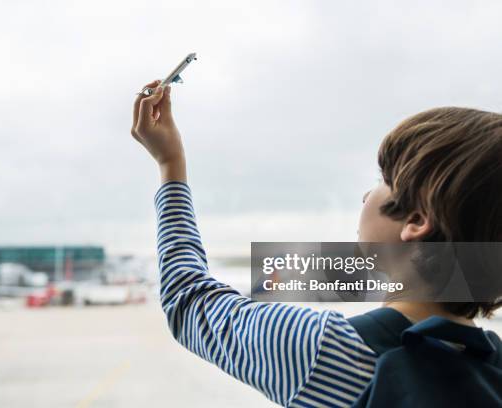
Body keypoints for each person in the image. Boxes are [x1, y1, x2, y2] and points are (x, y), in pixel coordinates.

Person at [130, 80, 502, 407]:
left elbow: (188, 299)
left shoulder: (326, 350)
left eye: (384, 178)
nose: (365, 195)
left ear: (417, 221)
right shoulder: (493, 368)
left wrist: (171, 164)